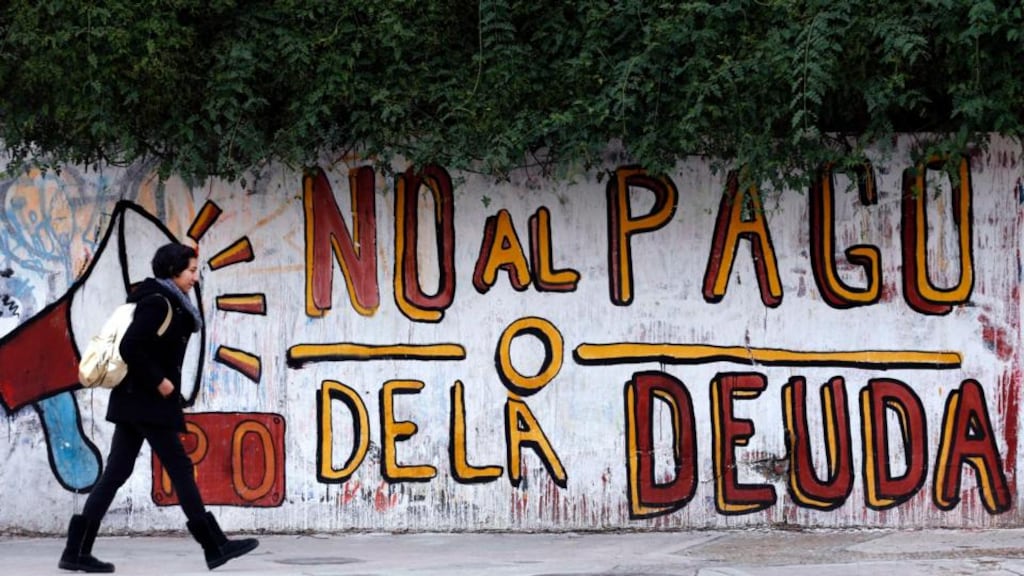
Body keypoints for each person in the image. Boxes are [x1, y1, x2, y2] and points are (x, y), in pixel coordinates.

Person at [59, 242, 259, 573]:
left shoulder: (165, 301)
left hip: (134, 402)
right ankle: (215, 545)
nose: (196, 277)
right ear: (173, 271)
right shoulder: (158, 302)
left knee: (116, 473)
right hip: (147, 402)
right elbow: (130, 345)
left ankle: (75, 551)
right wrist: (161, 382)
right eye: (192, 271)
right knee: (179, 468)